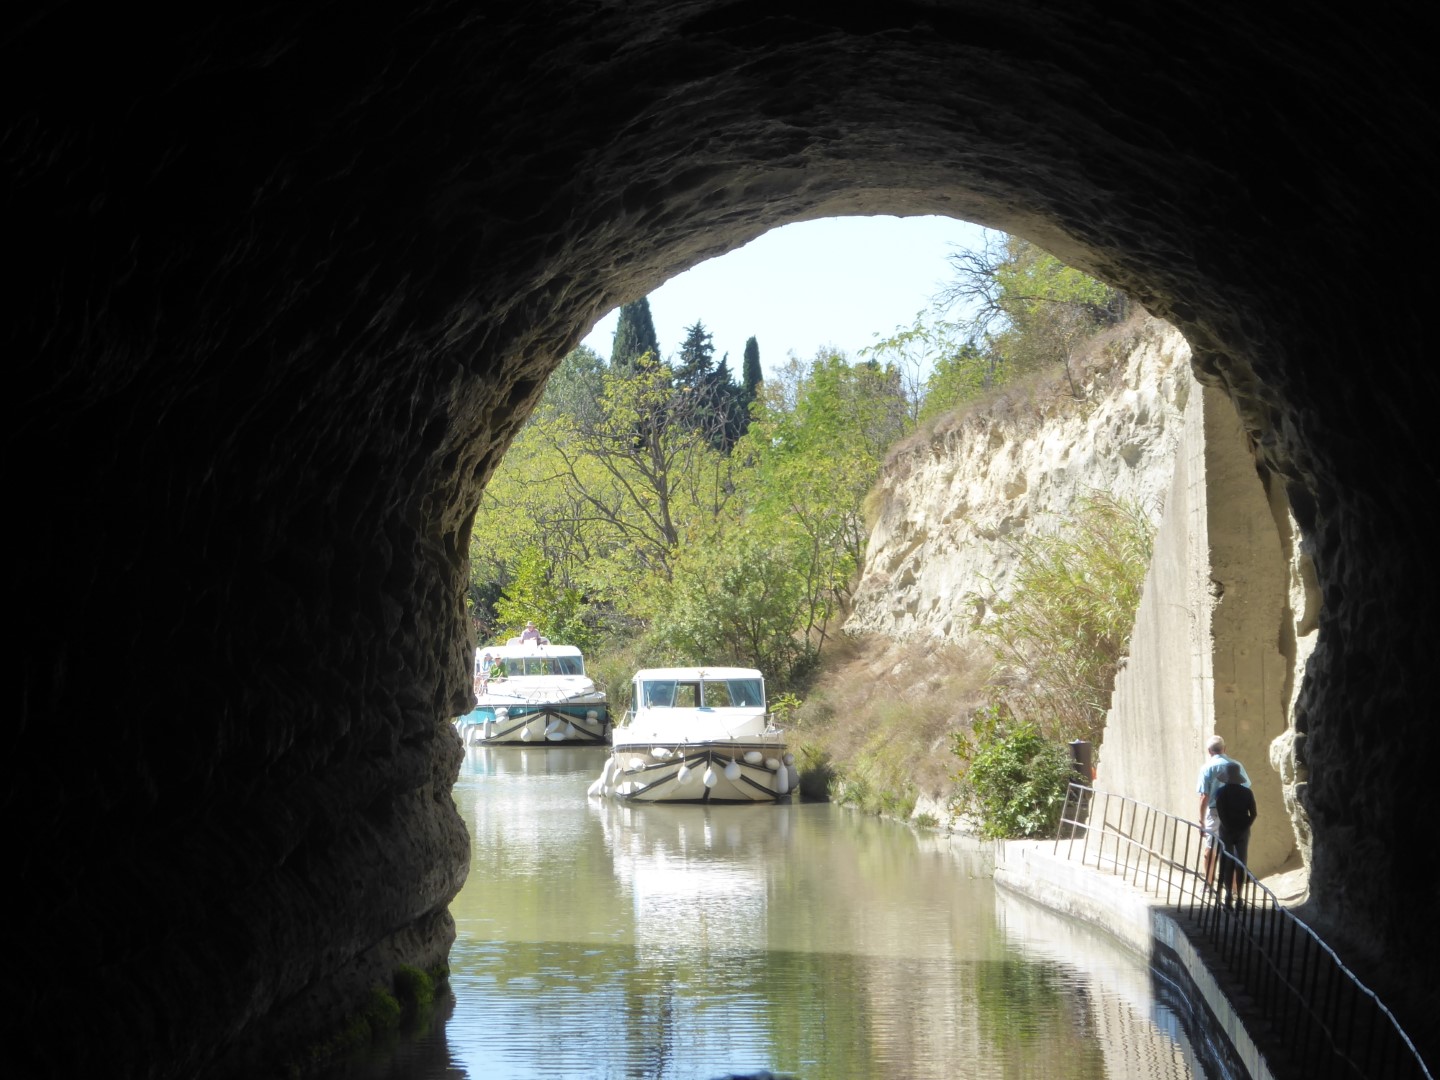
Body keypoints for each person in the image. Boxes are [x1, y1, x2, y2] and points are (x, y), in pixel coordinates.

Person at [1197, 734, 1250, 888]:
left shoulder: (1206, 768)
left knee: (1210, 848)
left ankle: (1208, 884)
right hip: (1235, 813)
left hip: (1215, 813)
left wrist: (1201, 820)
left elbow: (1204, 796)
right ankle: (1233, 888)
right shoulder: (1236, 765)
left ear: (1209, 751)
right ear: (1224, 749)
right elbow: (1246, 787)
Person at [1213, 760, 1258, 909]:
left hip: (1226, 831)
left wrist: (1228, 827)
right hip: (1242, 831)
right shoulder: (1247, 792)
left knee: (1227, 862)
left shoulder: (1221, 792)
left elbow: (1221, 813)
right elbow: (1253, 813)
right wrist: (1245, 826)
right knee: (1241, 862)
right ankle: (1239, 896)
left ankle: (1227, 895)